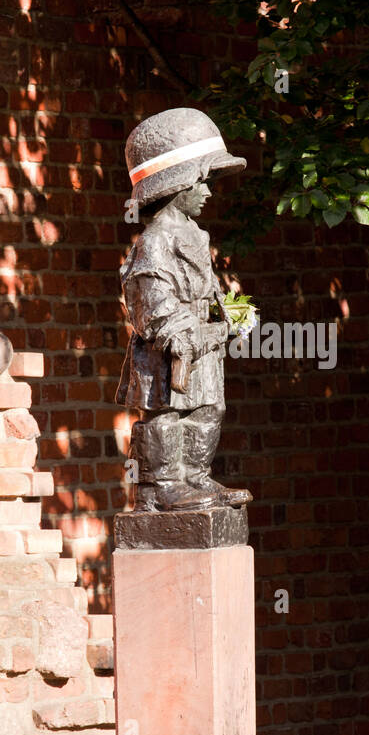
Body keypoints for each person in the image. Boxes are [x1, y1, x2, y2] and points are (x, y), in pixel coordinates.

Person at [116, 108, 252, 512]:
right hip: (169, 351)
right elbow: (151, 298)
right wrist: (183, 334)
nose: (209, 193)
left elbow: (208, 288)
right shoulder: (154, 241)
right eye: (203, 182)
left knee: (210, 407)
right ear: (180, 183)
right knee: (165, 414)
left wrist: (231, 312)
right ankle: (162, 486)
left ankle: (194, 477)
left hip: (201, 344)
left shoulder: (195, 233)